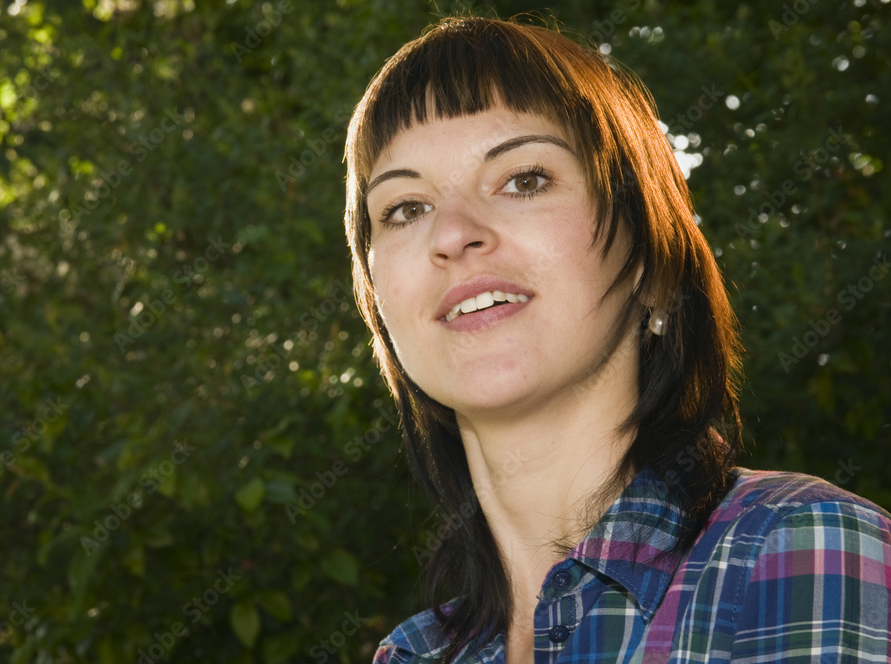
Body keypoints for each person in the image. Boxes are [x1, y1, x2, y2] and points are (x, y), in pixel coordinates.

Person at [341, 15, 891, 664]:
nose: (451, 233)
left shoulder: (801, 551)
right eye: (405, 208)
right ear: (380, 307)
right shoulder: (411, 655)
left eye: (524, 179)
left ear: (651, 266)